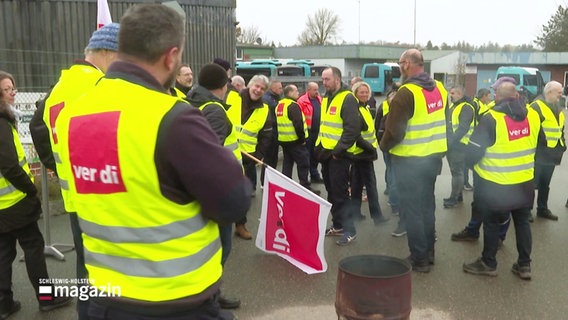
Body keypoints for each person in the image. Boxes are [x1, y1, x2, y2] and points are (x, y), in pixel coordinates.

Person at [55, 4, 252, 319]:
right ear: (171, 56)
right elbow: (234, 202)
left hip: (104, 298)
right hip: (176, 301)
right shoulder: (173, 118)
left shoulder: (73, 115)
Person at [28, 23, 120, 320]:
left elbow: (38, 127)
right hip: (102, 197)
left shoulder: (61, 86)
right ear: (108, 53)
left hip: (75, 196)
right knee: (109, 274)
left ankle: (86, 313)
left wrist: (56, 164)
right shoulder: (98, 86)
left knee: (86, 266)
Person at [0, 71, 72, 320]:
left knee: (5, 252)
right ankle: (46, 298)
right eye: (8, 89)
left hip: (2, 205)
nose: (13, 92)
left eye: (13, 87)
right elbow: (9, 166)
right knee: (33, 247)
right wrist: (31, 189)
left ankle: (4, 303)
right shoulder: (1, 123)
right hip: (16, 202)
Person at [462, 81, 541, 280]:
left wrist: (472, 166)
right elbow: (540, 144)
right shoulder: (532, 115)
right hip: (524, 181)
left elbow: (473, 151)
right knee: (522, 222)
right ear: (516, 96)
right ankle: (524, 265)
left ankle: (489, 263)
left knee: (491, 223)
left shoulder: (492, 119)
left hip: (495, 183)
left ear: (497, 95)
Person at [379, 49, 447, 273]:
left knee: (412, 211)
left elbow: (394, 131)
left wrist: (383, 145)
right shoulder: (440, 89)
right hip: (432, 159)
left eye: (400, 63)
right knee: (427, 206)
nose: (399, 67)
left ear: (407, 64)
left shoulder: (406, 93)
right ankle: (429, 253)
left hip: (409, 161)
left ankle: (419, 259)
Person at [186, 63, 243, 310]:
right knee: (222, 245)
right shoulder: (215, 110)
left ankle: (204, 294)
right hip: (214, 191)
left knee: (205, 247)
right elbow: (210, 156)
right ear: (223, 87)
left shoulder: (190, 101)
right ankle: (208, 297)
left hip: (192, 188)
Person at [317, 67, 361, 246]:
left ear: (337, 79)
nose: (324, 83)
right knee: (332, 193)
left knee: (341, 194)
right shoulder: (327, 97)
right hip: (327, 154)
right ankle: (338, 225)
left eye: (327, 79)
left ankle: (350, 230)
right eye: (323, 79)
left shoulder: (347, 98)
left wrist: (338, 151)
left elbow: (352, 130)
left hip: (339, 156)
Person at [234, 74, 274, 240]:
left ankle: (240, 225)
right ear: (249, 85)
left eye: (262, 89)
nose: (258, 90)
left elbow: (266, 135)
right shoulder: (233, 99)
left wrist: (259, 155)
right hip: (226, 154)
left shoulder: (264, 109)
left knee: (244, 195)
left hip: (248, 158)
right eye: (256, 86)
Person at [351, 81, 388, 225]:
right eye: (361, 92)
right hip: (363, 153)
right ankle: (377, 217)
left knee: (357, 184)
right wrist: (371, 148)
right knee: (371, 185)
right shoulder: (356, 110)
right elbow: (356, 135)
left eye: (366, 92)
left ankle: (355, 213)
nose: (365, 94)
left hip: (361, 153)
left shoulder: (364, 108)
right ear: (355, 93)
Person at [529, 80, 566, 221]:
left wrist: (562, 144)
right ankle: (526, 211)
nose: (561, 95)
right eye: (559, 92)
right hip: (539, 153)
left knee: (545, 183)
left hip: (552, 153)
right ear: (549, 92)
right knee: (531, 184)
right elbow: (532, 131)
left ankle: (542, 209)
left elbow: (560, 128)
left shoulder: (557, 107)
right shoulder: (535, 107)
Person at [275, 84, 319, 194]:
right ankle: (305, 187)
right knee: (303, 162)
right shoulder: (293, 106)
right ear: (289, 93)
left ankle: (286, 186)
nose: (298, 93)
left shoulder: (280, 105)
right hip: (295, 140)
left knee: (287, 164)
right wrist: (302, 139)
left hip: (284, 140)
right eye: (295, 91)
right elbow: (298, 124)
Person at [443, 85, 475, 208]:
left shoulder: (466, 107)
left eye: (452, 93)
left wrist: (451, 141)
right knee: (456, 172)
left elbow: (463, 128)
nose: (450, 95)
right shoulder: (454, 106)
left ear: (460, 94)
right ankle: (458, 195)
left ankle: (454, 198)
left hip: (459, 145)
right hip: (453, 145)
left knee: (457, 172)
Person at [297, 81, 323, 183]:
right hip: (308, 133)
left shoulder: (319, 99)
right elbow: (299, 118)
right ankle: (305, 178)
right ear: (308, 90)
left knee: (316, 155)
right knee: (307, 155)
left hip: (318, 132)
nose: (317, 92)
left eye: (317, 89)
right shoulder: (301, 101)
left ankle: (314, 175)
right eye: (315, 90)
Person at [260, 80, 282, 186]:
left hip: (274, 132)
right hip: (270, 133)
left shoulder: (275, 98)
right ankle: (265, 181)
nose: (281, 90)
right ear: (272, 88)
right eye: (279, 88)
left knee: (273, 158)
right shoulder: (268, 100)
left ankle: (271, 180)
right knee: (269, 158)